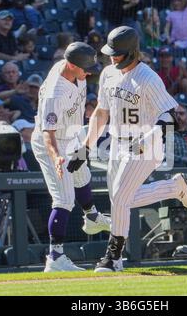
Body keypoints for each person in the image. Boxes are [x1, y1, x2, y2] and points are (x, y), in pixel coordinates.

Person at [67, 26, 187, 272]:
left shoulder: (148, 77)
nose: (113, 57)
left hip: (146, 146)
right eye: (110, 52)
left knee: (122, 198)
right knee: (120, 200)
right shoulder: (107, 74)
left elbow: (170, 119)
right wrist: (85, 148)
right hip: (118, 143)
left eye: (118, 53)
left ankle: (113, 257)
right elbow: (101, 113)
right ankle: (172, 187)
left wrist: (146, 139)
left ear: (133, 51)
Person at [31, 42, 112, 272]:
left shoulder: (72, 69)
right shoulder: (55, 91)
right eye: (85, 67)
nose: (89, 72)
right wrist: (56, 156)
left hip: (71, 135)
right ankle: (55, 257)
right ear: (71, 64)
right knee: (64, 199)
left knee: (82, 175)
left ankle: (92, 217)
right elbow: (48, 133)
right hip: (52, 143)